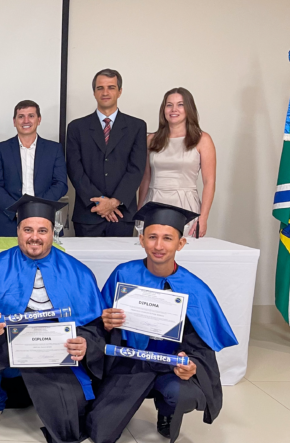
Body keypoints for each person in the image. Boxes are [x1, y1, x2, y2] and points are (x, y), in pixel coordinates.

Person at [86, 202, 237, 443]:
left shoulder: (194, 288)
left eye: (167, 238)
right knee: (100, 432)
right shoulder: (124, 274)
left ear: (181, 243)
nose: (158, 245)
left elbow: (202, 346)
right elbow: (96, 324)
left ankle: (167, 411)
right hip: (130, 363)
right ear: (142, 239)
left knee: (180, 393)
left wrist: (192, 365)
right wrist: (105, 321)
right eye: (152, 237)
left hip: (171, 365)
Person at [0, 195, 106, 440]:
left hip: (54, 347)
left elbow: (94, 326)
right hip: (7, 344)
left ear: (53, 233)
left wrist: (84, 342)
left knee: (70, 413)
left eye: (43, 230)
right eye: (27, 229)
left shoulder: (77, 272)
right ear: (17, 230)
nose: (34, 237)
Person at [66, 69, 147, 237]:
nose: (105, 92)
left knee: (121, 263)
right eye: (100, 88)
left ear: (120, 91)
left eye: (111, 87)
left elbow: (136, 169)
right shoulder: (76, 127)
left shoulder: (137, 127)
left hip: (122, 214)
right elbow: (75, 169)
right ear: (94, 92)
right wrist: (100, 203)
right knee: (86, 264)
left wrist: (114, 202)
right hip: (88, 214)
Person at [138, 88, 216, 238]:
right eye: (169, 105)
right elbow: (146, 178)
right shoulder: (151, 140)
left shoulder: (203, 139)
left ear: (189, 108)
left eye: (180, 104)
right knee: (153, 253)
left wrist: (203, 218)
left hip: (185, 204)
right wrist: (139, 209)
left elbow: (209, 182)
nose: (174, 109)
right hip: (153, 202)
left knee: (183, 253)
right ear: (163, 109)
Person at [0, 100, 68, 237]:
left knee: (48, 258)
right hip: (9, 221)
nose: (26, 120)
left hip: (45, 219)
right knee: (9, 258)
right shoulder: (0, 149)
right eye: (21, 116)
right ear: (14, 121)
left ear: (39, 119)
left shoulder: (54, 149)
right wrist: (17, 210)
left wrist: (38, 208)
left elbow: (61, 184)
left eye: (31, 116)